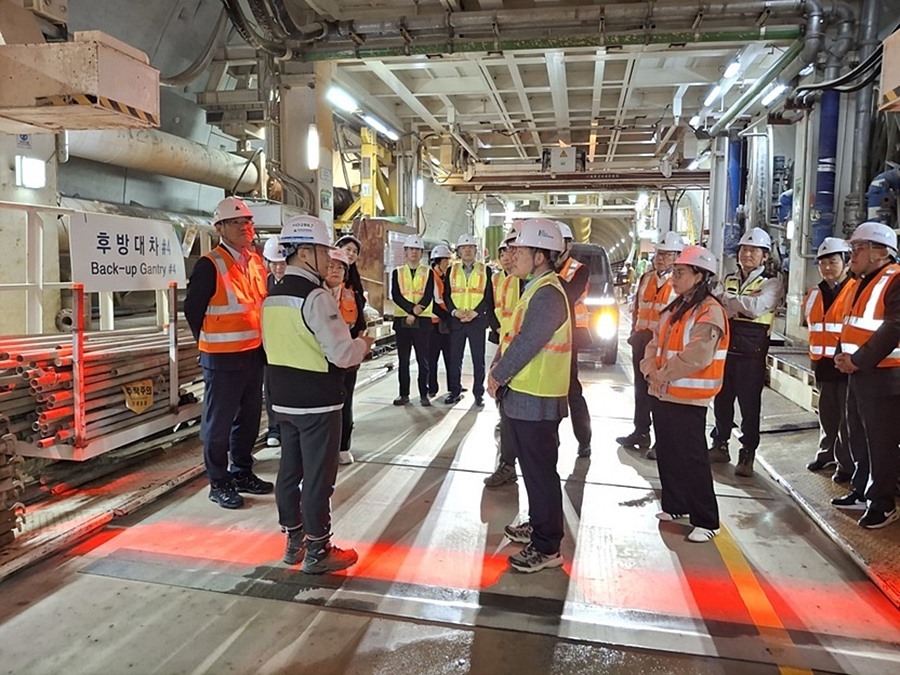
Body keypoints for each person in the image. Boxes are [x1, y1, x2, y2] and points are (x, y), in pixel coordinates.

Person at [262, 215, 373, 573]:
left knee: (289, 472)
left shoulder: (272, 297)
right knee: (319, 478)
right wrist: (363, 344)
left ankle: (293, 540)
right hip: (318, 402)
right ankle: (318, 549)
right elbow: (341, 354)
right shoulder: (316, 297)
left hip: (283, 400)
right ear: (306, 251)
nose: (330, 259)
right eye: (325, 251)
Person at [487, 219, 571, 573]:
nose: (513, 256)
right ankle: (539, 526)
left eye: (519, 250)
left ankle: (548, 546)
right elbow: (511, 337)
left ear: (540, 256)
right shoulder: (532, 288)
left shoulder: (548, 293)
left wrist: (497, 376)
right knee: (534, 470)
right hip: (524, 395)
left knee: (540, 474)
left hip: (538, 397)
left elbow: (527, 344)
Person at [184, 196, 273, 509]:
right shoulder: (210, 264)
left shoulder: (255, 262)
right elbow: (192, 310)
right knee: (217, 424)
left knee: (248, 420)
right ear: (220, 227)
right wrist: (208, 341)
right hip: (221, 358)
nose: (244, 227)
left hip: (252, 354)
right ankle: (219, 482)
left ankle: (243, 472)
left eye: (248, 222)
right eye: (237, 222)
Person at [641, 245, 729, 543]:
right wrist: (649, 369)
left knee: (692, 458)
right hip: (663, 391)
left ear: (700, 275)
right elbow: (654, 343)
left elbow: (698, 356)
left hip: (687, 397)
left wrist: (661, 374)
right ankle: (675, 504)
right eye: (674, 272)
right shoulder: (674, 308)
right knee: (668, 450)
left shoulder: (710, 311)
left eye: (680, 273)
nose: (674, 278)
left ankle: (707, 519)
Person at [832, 222, 900, 529]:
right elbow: (850, 324)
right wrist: (841, 354)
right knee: (857, 435)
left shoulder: (895, 279)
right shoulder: (860, 281)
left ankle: (883, 503)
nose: (853, 254)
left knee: (881, 442)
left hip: (885, 376)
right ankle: (861, 489)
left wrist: (857, 360)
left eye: (859, 248)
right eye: (852, 248)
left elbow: (893, 328)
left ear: (882, 252)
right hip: (858, 371)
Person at [709, 227, 783, 477]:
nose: (747, 254)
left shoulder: (771, 283)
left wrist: (730, 302)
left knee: (750, 407)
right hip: (726, 348)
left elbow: (757, 308)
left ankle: (747, 453)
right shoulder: (729, 277)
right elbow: (717, 303)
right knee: (721, 400)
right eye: (744, 249)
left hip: (752, 353)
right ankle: (719, 444)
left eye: (754, 250)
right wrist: (738, 304)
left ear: (764, 256)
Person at [617, 232, 683, 459]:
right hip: (642, 340)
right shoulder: (646, 278)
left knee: (660, 392)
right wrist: (634, 332)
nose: (660, 258)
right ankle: (641, 431)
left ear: (677, 256)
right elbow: (637, 307)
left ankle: (662, 440)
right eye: (658, 254)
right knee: (641, 389)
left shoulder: (679, 282)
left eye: (666, 254)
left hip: (663, 345)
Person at [802, 237, 856, 482]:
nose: (826, 267)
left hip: (846, 363)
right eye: (822, 263)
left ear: (846, 263)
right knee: (826, 413)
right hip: (822, 362)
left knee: (847, 417)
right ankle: (826, 454)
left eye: (832, 261)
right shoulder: (814, 293)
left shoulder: (855, 290)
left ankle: (845, 464)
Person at [484, 226, 526, 488]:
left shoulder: (540, 286)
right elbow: (499, 312)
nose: (509, 255)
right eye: (506, 250)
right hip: (507, 351)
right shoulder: (507, 280)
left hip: (532, 368)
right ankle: (507, 464)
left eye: (515, 250)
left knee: (537, 437)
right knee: (507, 415)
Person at [553, 222, 593, 457]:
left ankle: (584, 439)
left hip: (571, 336)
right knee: (549, 394)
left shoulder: (579, 269)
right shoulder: (544, 270)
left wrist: (548, 277)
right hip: (547, 336)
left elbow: (568, 295)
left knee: (571, 391)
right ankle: (551, 440)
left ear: (568, 245)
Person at [323, 247, 366, 465]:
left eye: (340, 267)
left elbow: (361, 326)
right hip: (321, 360)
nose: (335, 271)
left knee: (345, 402)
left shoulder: (352, 296)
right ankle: (324, 447)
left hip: (347, 360)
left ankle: (343, 446)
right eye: (330, 266)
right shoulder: (315, 296)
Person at [444, 233, 494, 406]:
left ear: (475, 250)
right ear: (459, 251)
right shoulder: (451, 270)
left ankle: (479, 393)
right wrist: (454, 312)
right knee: (455, 358)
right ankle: (454, 391)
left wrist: (477, 312)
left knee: (478, 359)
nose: (467, 250)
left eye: (470, 247)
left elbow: (488, 296)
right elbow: (446, 295)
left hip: (476, 321)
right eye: (464, 248)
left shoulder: (485, 270)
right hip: (457, 321)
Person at [391, 234, 435, 406]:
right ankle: (404, 394)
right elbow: (396, 295)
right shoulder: (398, 272)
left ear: (421, 253)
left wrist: (415, 312)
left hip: (422, 320)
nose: (414, 252)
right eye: (411, 249)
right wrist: (410, 310)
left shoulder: (428, 272)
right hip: (402, 320)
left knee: (423, 359)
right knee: (403, 360)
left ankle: (424, 394)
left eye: (417, 249)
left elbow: (428, 295)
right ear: (405, 252)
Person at [263, 234, 287, 447]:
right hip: (269, 345)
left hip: (291, 344)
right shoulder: (263, 283)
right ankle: (274, 429)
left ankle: (287, 428)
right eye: (275, 263)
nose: (279, 267)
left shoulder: (295, 283)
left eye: (282, 263)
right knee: (270, 388)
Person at [427, 244, 453, 398]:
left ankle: (453, 386)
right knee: (432, 358)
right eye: (446, 261)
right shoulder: (431, 277)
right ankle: (432, 387)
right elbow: (435, 302)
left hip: (444, 323)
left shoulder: (444, 277)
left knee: (450, 357)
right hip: (434, 324)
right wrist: (449, 316)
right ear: (438, 261)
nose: (448, 263)